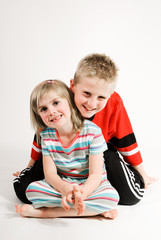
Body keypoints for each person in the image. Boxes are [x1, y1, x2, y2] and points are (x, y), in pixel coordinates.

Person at [13, 53, 156, 206]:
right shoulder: (60, 98)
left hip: (99, 156)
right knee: (23, 191)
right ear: (72, 86)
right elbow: (43, 132)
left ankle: (90, 192)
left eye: (101, 97)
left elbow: (125, 138)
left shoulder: (114, 102)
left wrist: (142, 172)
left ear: (110, 95)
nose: (92, 103)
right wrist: (30, 165)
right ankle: (73, 195)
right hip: (61, 157)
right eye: (87, 93)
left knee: (130, 198)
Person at [16, 79, 119, 218]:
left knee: (111, 197)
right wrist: (65, 188)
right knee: (32, 191)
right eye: (44, 109)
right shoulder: (46, 136)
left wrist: (81, 194)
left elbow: (96, 175)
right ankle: (95, 211)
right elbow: (50, 175)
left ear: (69, 102)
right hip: (64, 183)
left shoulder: (92, 132)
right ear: (39, 115)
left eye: (56, 103)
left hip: (91, 184)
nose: (51, 111)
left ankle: (47, 213)